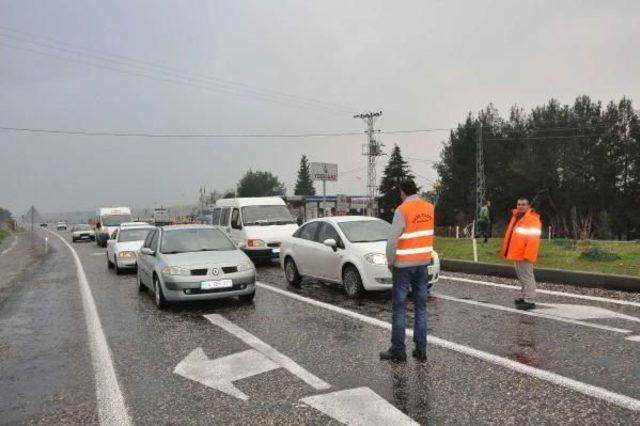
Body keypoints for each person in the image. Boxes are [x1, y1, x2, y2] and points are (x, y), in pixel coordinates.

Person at [380, 179, 434, 362]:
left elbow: (392, 241)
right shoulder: (429, 208)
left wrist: (390, 261)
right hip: (423, 264)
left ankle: (398, 350)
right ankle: (421, 350)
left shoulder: (402, 210)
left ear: (403, 192)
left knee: (400, 308)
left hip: (403, 266)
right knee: (421, 308)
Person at [499, 197, 542, 311]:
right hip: (518, 253)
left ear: (528, 206)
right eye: (518, 204)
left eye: (523, 204)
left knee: (527, 277)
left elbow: (533, 240)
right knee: (522, 277)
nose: (520, 206)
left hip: (525, 254)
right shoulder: (519, 217)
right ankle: (524, 297)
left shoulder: (531, 219)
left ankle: (529, 300)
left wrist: (528, 255)